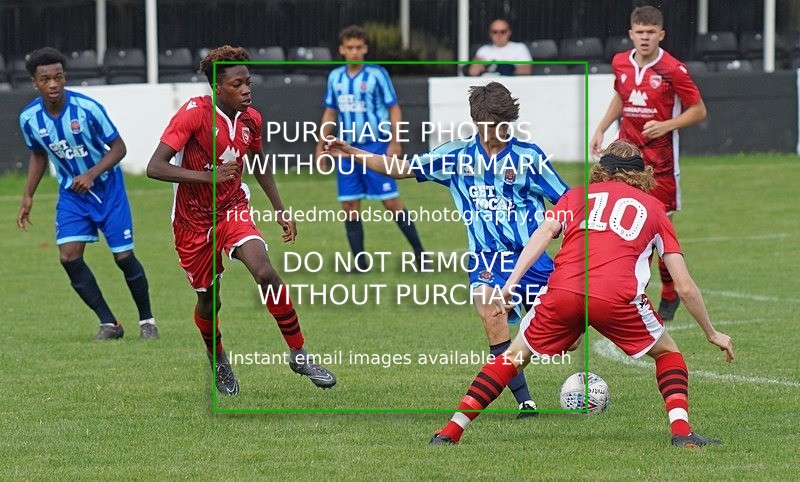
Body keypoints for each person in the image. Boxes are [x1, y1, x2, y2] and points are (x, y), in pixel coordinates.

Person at [429, 140, 734, 447]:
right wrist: (711, 332)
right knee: (668, 354)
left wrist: (509, 286)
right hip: (616, 297)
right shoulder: (655, 210)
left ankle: (450, 432)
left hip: (563, 291)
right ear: (643, 175)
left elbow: (542, 235)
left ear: (601, 171)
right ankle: (682, 433)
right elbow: (683, 285)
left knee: (513, 357)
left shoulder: (575, 197)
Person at [325, 81, 569, 417]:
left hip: (532, 259)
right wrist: (352, 151)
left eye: (501, 124)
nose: (495, 131)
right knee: (491, 314)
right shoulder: (455, 155)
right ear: (476, 121)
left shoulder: (529, 157)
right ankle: (525, 402)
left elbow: (568, 203)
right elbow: (403, 169)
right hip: (486, 258)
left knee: (566, 341)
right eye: (488, 124)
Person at [146, 45, 335, 395]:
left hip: (233, 208)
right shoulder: (193, 114)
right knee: (209, 299)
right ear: (218, 87)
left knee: (264, 270)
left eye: (248, 82)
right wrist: (209, 177)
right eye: (238, 84)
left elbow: (260, 165)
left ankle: (298, 353)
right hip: (192, 222)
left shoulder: (252, 119)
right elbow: (155, 167)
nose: (247, 89)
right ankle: (217, 358)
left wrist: (280, 209)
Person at [17, 47, 158, 341]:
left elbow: (119, 148)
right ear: (35, 83)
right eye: (46, 79)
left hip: (108, 190)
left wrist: (91, 173)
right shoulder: (30, 119)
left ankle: (147, 321)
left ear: (64, 77)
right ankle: (110, 323)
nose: (53, 84)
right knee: (68, 257)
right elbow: (38, 155)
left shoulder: (88, 109)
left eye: (58, 77)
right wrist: (28, 195)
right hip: (72, 195)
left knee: (123, 256)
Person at [590, 5, 707, 322]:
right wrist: (601, 127)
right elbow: (620, 97)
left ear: (661, 35)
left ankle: (669, 292)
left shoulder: (673, 69)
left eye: (651, 32)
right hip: (624, 161)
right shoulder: (620, 63)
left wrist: (667, 125)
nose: (645, 38)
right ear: (631, 34)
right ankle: (624, 296)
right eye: (639, 32)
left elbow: (698, 110)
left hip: (661, 167)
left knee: (656, 233)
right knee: (620, 227)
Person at [313, 25, 425, 272]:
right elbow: (330, 112)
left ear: (365, 49)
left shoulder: (377, 74)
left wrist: (395, 141)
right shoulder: (335, 78)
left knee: (391, 202)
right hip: (345, 149)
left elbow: (394, 108)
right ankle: (359, 262)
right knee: (349, 205)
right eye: (349, 48)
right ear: (342, 50)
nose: (354, 52)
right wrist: (321, 145)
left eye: (358, 47)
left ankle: (420, 253)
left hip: (375, 145)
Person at [468, 19, 533, 76]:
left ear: (509, 32)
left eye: (503, 32)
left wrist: (509, 71)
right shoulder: (484, 50)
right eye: (495, 32)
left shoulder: (520, 48)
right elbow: (473, 72)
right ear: (490, 34)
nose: (499, 35)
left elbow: (526, 71)